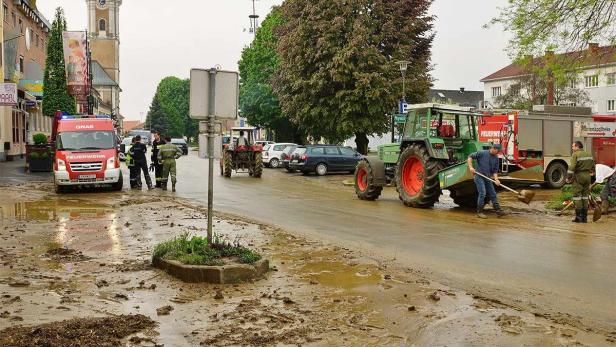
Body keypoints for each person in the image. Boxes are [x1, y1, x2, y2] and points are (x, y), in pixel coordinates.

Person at [467, 144, 506, 219]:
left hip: (488, 177)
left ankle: (498, 211)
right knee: (482, 193)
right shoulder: (482, 153)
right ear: (494, 149)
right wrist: (471, 167)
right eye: (498, 151)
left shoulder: (496, 158)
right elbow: (470, 156)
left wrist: (496, 179)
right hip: (479, 176)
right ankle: (480, 212)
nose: (498, 153)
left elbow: (495, 171)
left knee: (493, 193)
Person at [566, 141, 595, 223]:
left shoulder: (575, 155)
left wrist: (568, 178)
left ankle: (578, 217)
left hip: (579, 177)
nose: (572, 148)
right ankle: (584, 218)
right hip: (587, 176)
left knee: (577, 196)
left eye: (573, 146)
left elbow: (572, 167)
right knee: (585, 196)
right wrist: (591, 176)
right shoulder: (589, 154)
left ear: (577, 147)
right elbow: (593, 167)